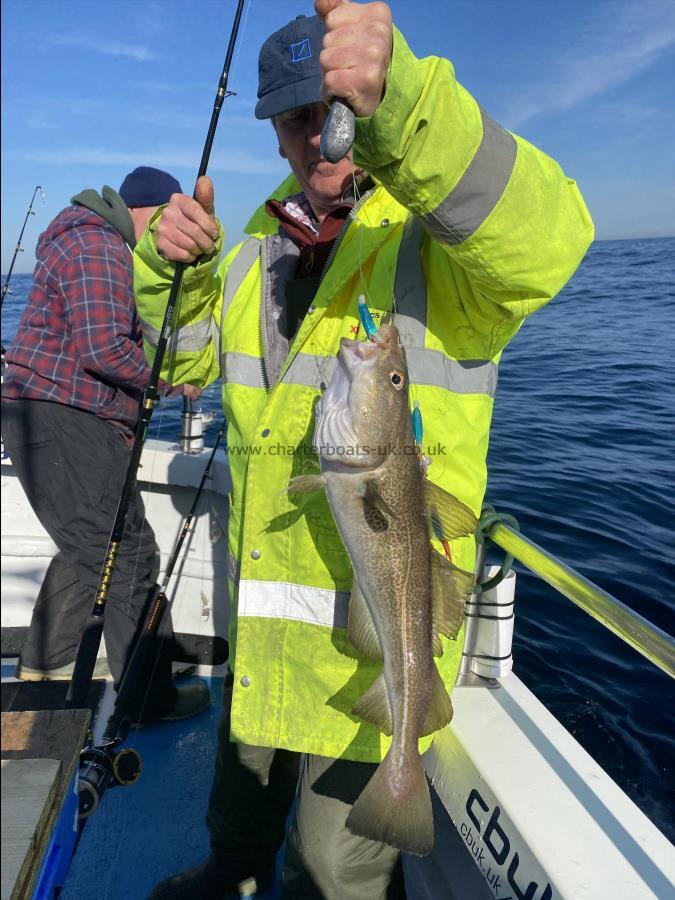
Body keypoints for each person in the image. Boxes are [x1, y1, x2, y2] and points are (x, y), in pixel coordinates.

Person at [138, 1, 594, 895]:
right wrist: (170, 275)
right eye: (301, 118)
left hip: (374, 634)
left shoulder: (439, 248)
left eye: (340, 109)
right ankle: (230, 866)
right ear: (275, 134)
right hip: (262, 619)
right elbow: (184, 369)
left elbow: (548, 247)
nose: (325, 137)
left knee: (333, 860)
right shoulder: (248, 257)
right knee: (242, 793)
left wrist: (408, 103)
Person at [1, 166, 211, 726]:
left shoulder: (80, 236)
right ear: (150, 211)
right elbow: (104, 350)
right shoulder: (99, 244)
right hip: (66, 425)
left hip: (45, 421)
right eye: (169, 220)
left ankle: (49, 662)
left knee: (93, 545)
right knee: (131, 558)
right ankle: (149, 699)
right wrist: (167, 384)